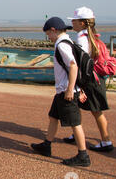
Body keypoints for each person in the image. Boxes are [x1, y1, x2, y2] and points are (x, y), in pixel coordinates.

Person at [31, 17, 91, 167]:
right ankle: (47, 145)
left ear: (53, 30)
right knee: (53, 117)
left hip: (66, 91)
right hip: (62, 90)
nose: (48, 38)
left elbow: (73, 66)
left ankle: (83, 155)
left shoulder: (62, 45)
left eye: (48, 35)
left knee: (75, 123)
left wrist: (71, 89)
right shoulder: (67, 41)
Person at [63, 7, 116, 152]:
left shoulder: (82, 37)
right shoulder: (92, 36)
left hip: (90, 80)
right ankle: (77, 133)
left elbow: (81, 60)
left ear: (82, 23)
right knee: (82, 107)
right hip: (95, 78)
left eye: (74, 20)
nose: (72, 22)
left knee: (95, 110)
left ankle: (106, 141)